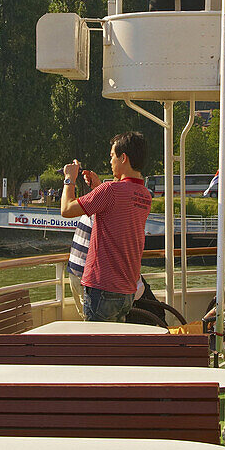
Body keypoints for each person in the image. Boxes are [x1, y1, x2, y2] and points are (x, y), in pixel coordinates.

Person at [60, 131, 151, 322]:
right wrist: (97, 188)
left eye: (112, 156)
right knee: (115, 346)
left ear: (123, 157)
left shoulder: (109, 190)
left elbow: (67, 209)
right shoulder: (144, 195)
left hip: (101, 287)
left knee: (96, 349)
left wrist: (69, 179)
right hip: (127, 290)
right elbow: (117, 213)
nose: (110, 161)